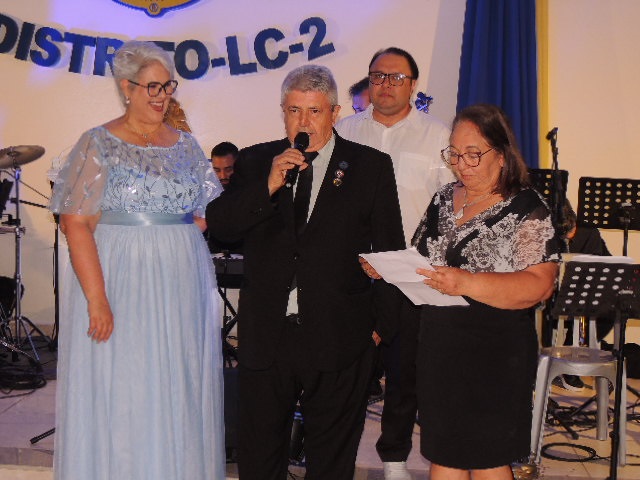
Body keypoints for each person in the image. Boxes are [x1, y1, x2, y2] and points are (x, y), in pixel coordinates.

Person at [206, 64, 405, 480]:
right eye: (294, 110)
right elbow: (221, 226)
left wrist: (378, 331)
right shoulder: (256, 160)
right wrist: (269, 184)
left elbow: (390, 251)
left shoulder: (370, 166)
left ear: (334, 113)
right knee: (259, 458)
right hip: (267, 336)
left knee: (331, 462)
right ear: (283, 111)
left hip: (340, 335)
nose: (304, 122)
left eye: (314, 111)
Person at [49, 40, 225, 480]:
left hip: (180, 285)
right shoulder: (98, 143)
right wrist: (97, 300)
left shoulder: (186, 145)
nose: (162, 96)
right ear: (126, 88)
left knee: (176, 383)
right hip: (121, 282)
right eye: (152, 87)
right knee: (127, 386)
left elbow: (208, 211)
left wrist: (175, 240)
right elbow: (76, 223)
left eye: (167, 86)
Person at [364, 103, 560, 479]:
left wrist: (466, 282)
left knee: (489, 460)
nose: (461, 164)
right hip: (439, 348)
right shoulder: (442, 199)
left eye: (473, 154)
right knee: (444, 454)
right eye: (454, 154)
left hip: (495, 354)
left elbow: (540, 284)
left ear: (501, 155)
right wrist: (389, 269)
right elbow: (422, 261)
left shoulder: (526, 207)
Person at [336, 46, 455, 480]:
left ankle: (393, 460)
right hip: (350, 273)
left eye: (396, 77)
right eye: (378, 76)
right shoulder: (344, 131)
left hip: (409, 272)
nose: (385, 85)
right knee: (345, 370)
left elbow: (450, 207)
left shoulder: (437, 136)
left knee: (405, 374)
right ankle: (336, 455)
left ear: (413, 85)